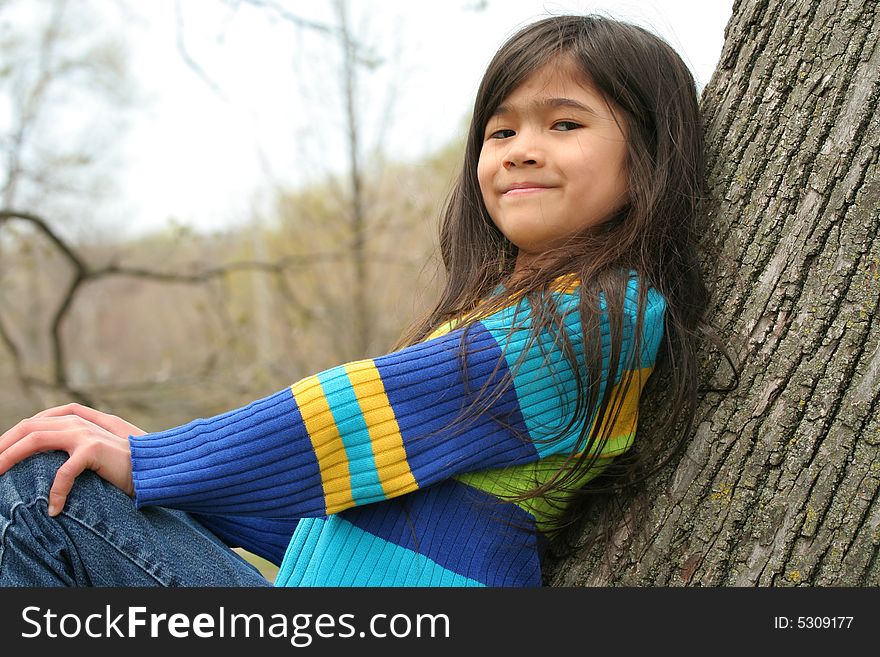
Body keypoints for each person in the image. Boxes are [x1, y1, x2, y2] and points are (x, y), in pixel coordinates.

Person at [0, 14, 725, 587]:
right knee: (63, 479)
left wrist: (156, 460)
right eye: (501, 130)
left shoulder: (603, 317)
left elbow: (356, 409)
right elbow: (359, 530)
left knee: (42, 491)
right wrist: (158, 480)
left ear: (651, 157)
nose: (520, 149)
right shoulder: (496, 311)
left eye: (564, 124)